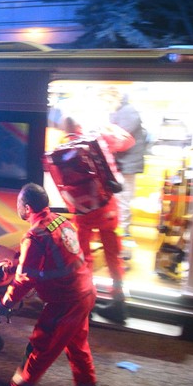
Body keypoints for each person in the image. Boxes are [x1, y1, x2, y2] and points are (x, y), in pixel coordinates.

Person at [0, 183, 105, 386]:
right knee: (78, 350)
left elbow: (24, 279)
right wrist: (17, 259)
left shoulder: (35, 236)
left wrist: (5, 304)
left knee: (41, 344)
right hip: (84, 292)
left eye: (18, 204)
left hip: (65, 301)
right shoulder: (60, 221)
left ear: (27, 208)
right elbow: (43, 254)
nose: (17, 207)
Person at [57, 114, 134, 323]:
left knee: (84, 257)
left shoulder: (61, 147)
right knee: (113, 256)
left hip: (83, 212)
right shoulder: (98, 139)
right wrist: (105, 127)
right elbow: (128, 141)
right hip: (107, 208)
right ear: (81, 124)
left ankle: (86, 301)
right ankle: (118, 302)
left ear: (65, 128)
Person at [101, 87, 147, 249]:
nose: (106, 106)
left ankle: (123, 243)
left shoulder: (127, 112)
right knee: (121, 201)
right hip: (123, 165)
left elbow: (118, 140)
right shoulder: (121, 111)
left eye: (107, 102)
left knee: (123, 202)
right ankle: (119, 240)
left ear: (115, 99)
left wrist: (102, 135)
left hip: (127, 165)